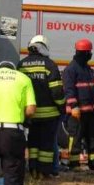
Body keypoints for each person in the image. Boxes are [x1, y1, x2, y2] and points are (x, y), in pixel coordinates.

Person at [18, 35, 64, 177]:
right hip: (49, 115)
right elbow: (57, 91)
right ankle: (44, 172)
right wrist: (62, 107)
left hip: (30, 114)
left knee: (33, 143)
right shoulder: (49, 65)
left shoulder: (21, 65)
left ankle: (33, 170)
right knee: (46, 145)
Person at [62, 39, 94, 172]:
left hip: (90, 112)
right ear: (83, 53)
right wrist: (74, 106)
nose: (90, 54)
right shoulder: (70, 69)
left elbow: (93, 88)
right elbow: (69, 90)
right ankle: (74, 165)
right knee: (75, 139)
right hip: (77, 113)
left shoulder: (87, 69)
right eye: (89, 52)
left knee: (93, 137)